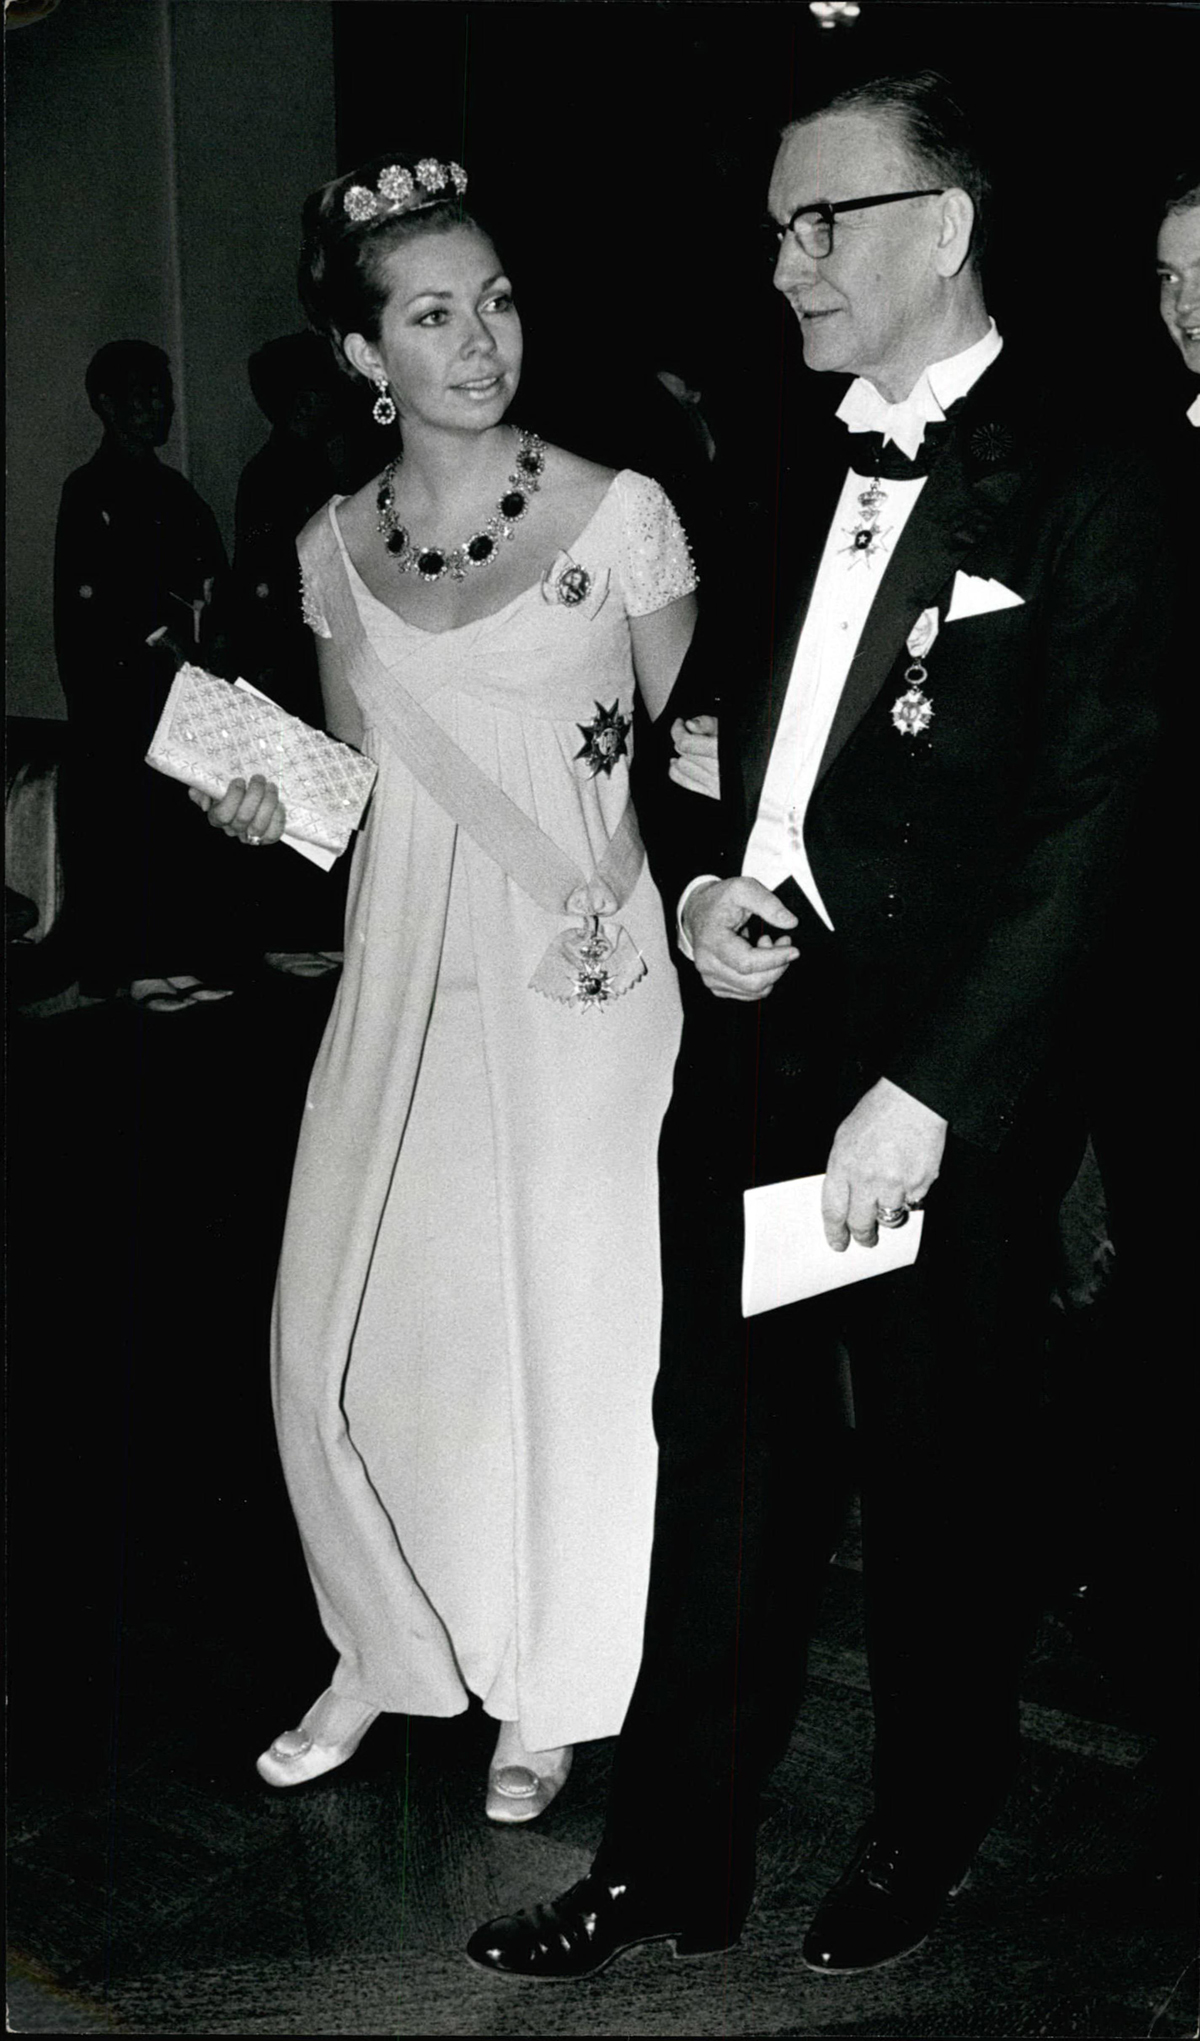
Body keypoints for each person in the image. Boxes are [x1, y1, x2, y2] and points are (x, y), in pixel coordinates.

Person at [468, 69, 1172, 1979]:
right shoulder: (793, 461)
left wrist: (933, 1091)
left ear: (939, 226)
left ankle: (926, 1825)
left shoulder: (1100, 477)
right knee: (728, 1458)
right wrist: (699, 882)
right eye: (776, 226)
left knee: (944, 1477)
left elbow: (1097, 822)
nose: (785, 264)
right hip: (760, 1048)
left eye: (821, 223)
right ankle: (666, 1862)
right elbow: (714, 744)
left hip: (926, 1089)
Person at [195, 151, 698, 1819]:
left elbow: (704, 768)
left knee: (570, 1339)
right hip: (408, 979)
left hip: (586, 983)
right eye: (431, 312)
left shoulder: (622, 512)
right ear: (364, 356)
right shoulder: (324, 544)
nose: (479, 338)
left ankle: (550, 1689)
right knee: (352, 1339)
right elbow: (351, 791)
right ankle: (387, 1645)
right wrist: (253, 796)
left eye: (495, 299)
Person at [54, 339, 237, 1010]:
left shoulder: (175, 492)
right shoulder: (88, 491)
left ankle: (183, 956)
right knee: (129, 825)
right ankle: (134, 966)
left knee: (185, 827)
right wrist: (163, 656)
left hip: (188, 687)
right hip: (126, 692)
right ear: (105, 403)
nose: (157, 404)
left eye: (162, 391)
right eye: (141, 392)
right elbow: (97, 608)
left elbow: (212, 580)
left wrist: (215, 643)